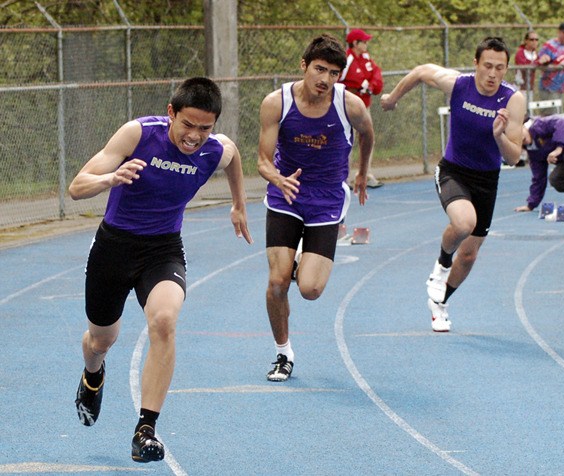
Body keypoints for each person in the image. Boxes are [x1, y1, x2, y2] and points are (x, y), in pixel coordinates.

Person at [69, 77, 253, 463]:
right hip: (113, 247)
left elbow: (234, 158)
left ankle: (145, 430)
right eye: (188, 125)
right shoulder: (138, 134)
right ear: (172, 113)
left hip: (163, 249)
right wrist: (110, 177)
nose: (194, 137)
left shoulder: (215, 149)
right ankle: (93, 374)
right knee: (100, 341)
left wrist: (239, 203)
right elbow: (77, 186)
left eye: (205, 128)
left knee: (165, 320)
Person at [381, 37, 526, 332]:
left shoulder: (513, 100)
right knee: (463, 223)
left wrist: (499, 136)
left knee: (470, 254)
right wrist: (393, 98)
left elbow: (513, 158)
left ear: (506, 69)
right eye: (487, 66)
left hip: (487, 179)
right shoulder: (458, 84)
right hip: (453, 172)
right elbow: (422, 71)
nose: (492, 74)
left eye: (500, 68)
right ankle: (441, 265)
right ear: (476, 64)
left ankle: (440, 302)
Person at [257, 33, 374, 381]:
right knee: (277, 282)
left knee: (309, 289)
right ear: (304, 66)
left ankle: (299, 261)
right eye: (320, 69)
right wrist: (277, 179)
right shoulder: (275, 102)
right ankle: (282, 353)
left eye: (334, 73)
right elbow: (262, 161)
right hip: (286, 195)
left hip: (326, 199)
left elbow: (367, 134)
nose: (325, 79)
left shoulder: (349, 105)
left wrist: (363, 173)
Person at [339, 28, 384, 189]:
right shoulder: (346, 58)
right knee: (346, 141)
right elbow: (336, 78)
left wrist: (371, 86)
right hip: (348, 105)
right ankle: (344, 177)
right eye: (363, 42)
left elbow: (376, 74)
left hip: (364, 105)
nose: (366, 44)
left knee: (368, 138)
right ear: (355, 43)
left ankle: (366, 174)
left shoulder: (365, 58)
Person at [537, 22, 564, 104]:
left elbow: (560, 59)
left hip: (560, 87)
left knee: (558, 116)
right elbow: (539, 62)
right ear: (559, 32)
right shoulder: (550, 45)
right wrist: (557, 66)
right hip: (549, 88)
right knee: (550, 115)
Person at [514, 30, 540, 102]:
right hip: (520, 87)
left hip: (530, 88)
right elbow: (525, 67)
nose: (534, 42)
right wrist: (538, 62)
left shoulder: (536, 54)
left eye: (536, 39)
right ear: (526, 41)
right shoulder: (520, 53)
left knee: (529, 110)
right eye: (532, 39)